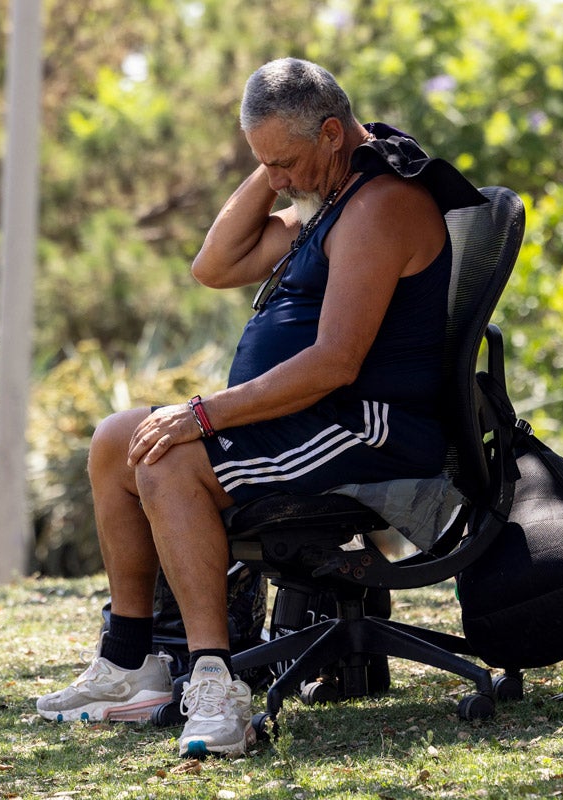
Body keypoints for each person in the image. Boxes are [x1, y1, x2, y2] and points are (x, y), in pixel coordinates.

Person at [35, 57, 486, 758]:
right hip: (312, 418)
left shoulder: (378, 207)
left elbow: (337, 362)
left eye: (285, 160)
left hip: (365, 429)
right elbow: (213, 266)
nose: (276, 180)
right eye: (263, 163)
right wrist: (280, 163)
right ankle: (132, 664)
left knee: (169, 460)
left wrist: (204, 414)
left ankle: (216, 685)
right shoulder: (324, 195)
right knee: (116, 439)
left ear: (333, 134)